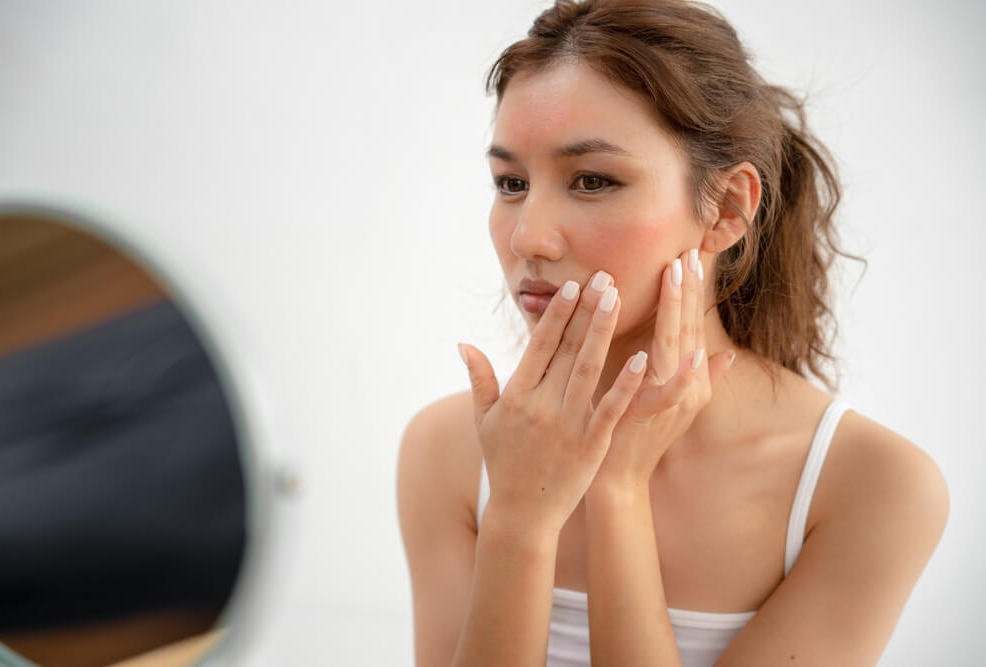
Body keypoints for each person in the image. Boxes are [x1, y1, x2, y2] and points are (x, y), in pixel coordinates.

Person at [396, 1, 948, 665]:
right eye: (511, 182)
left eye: (593, 180)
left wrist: (618, 489)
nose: (527, 236)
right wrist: (518, 516)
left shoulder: (869, 486)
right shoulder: (446, 452)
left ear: (726, 208)